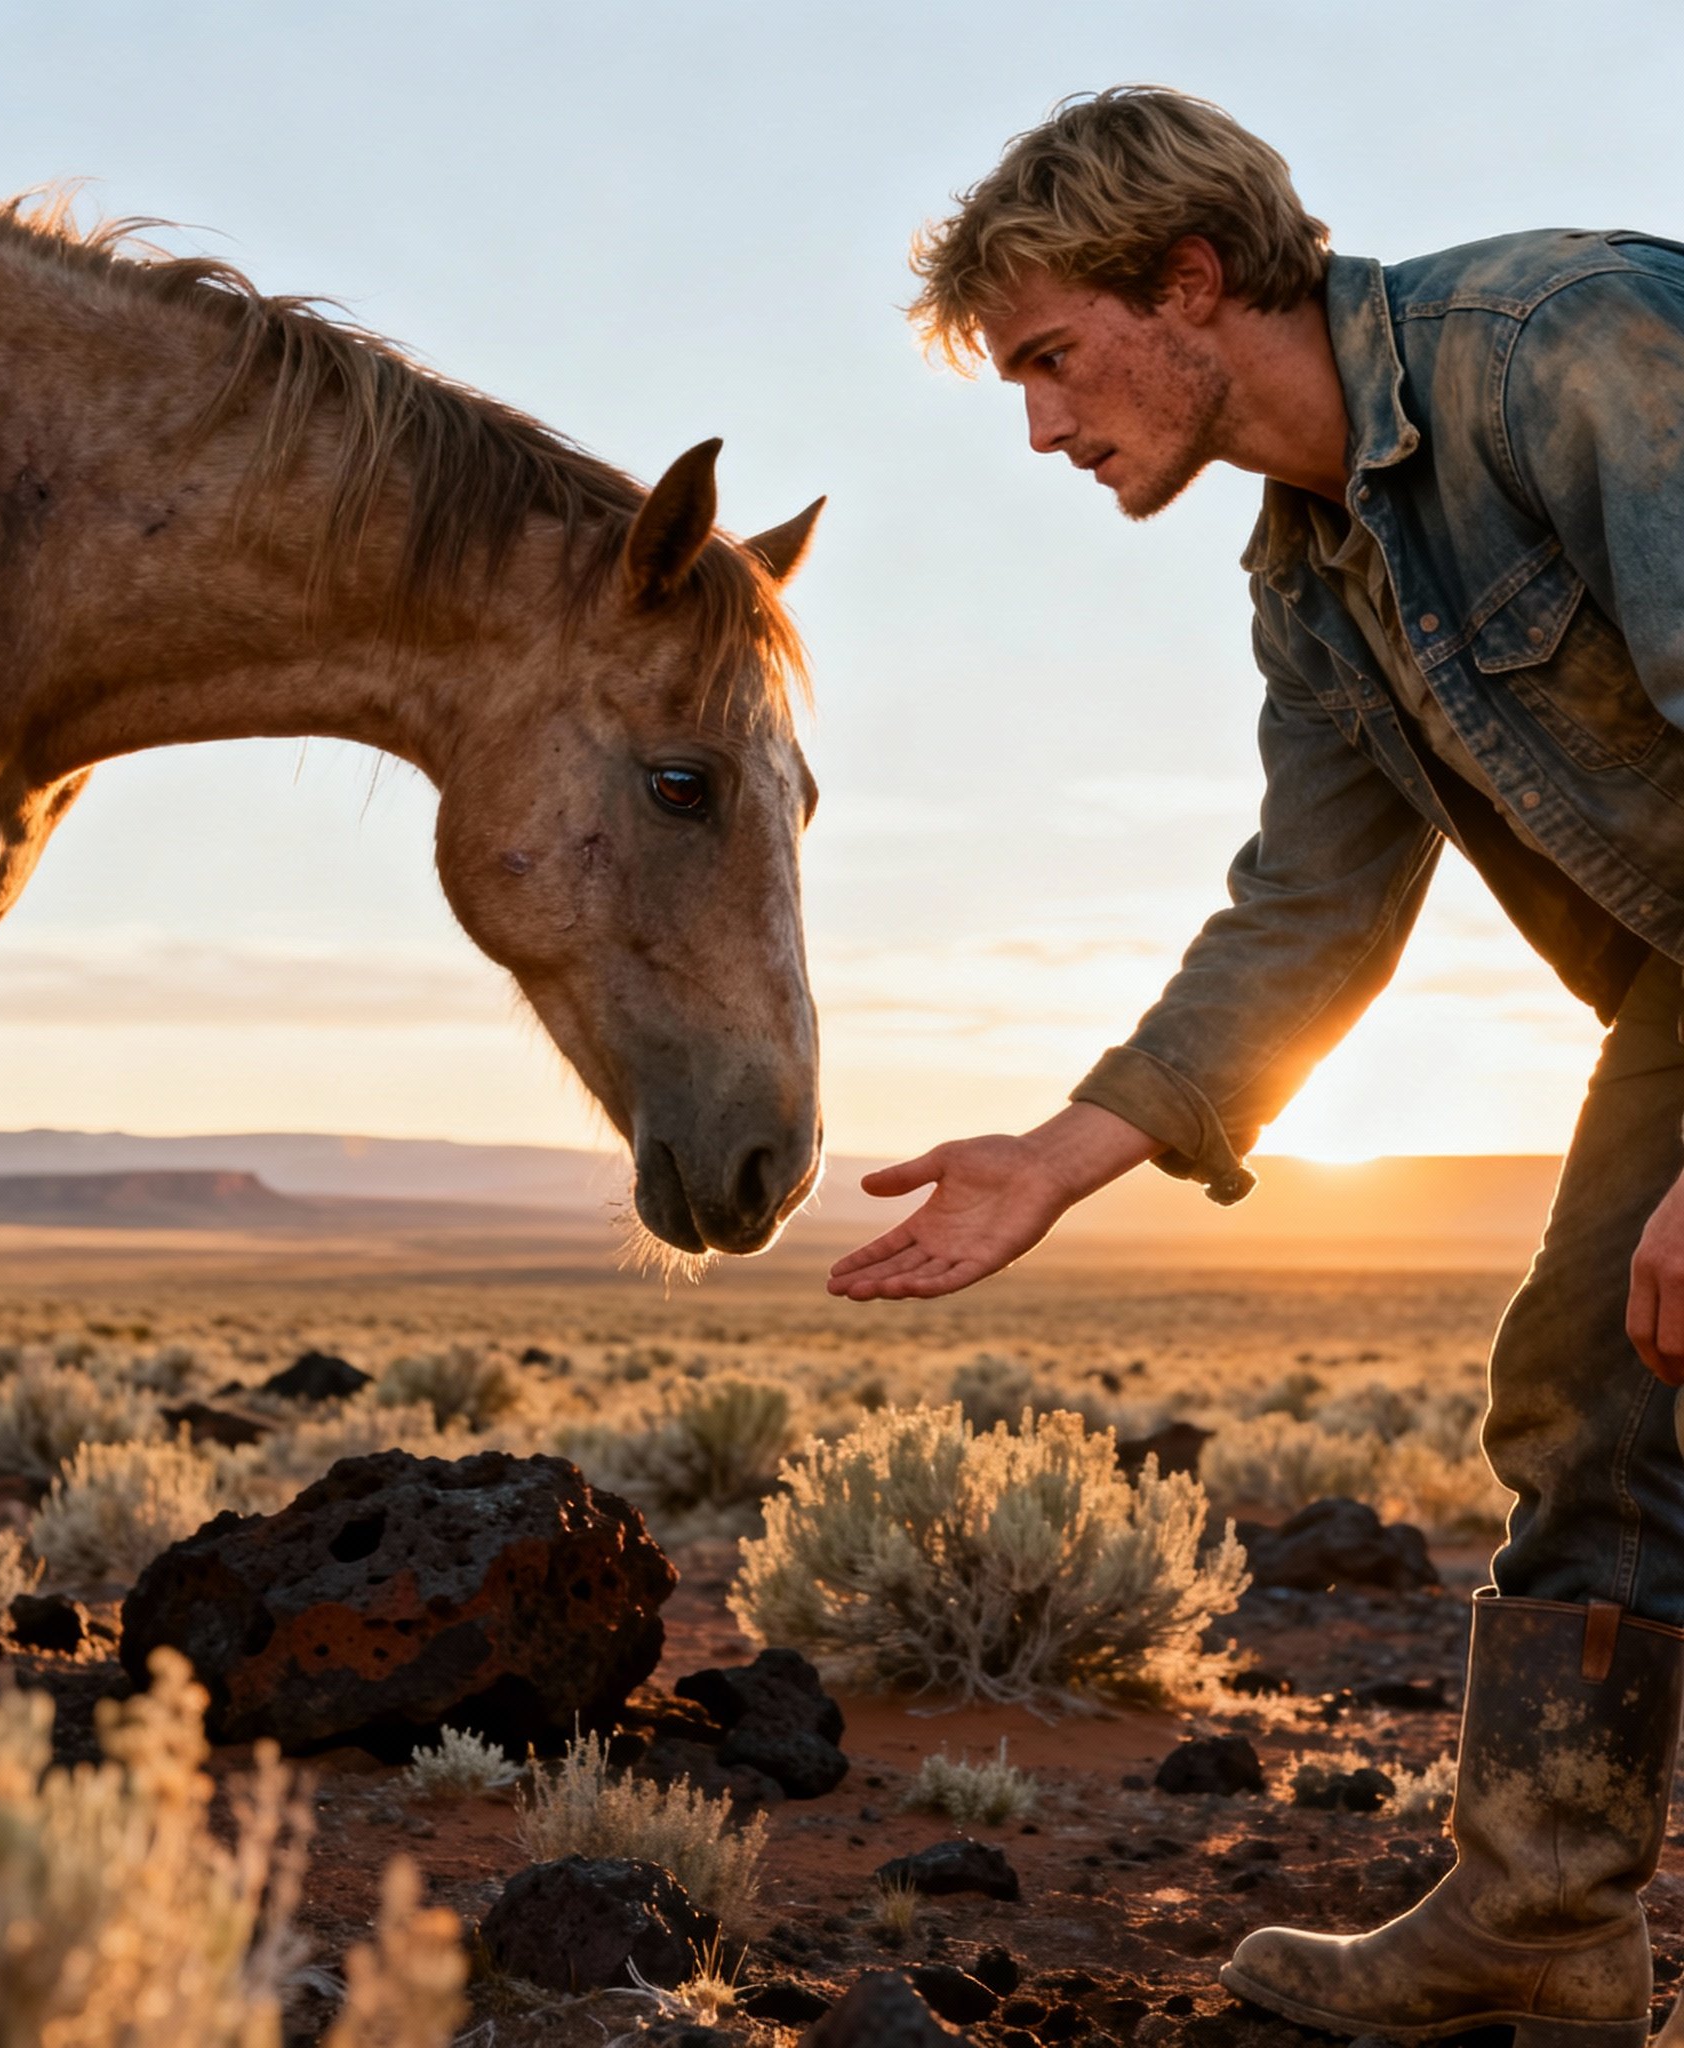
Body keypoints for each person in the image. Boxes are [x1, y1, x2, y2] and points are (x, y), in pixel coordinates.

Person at [833, 84, 1684, 2045]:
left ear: (1190, 282)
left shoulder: (1562, 350)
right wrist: (1060, 1153)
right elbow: (1305, 912)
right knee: (1595, 1369)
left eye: (1051, 360)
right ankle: (1545, 1921)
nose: (1040, 428)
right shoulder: (1312, 577)